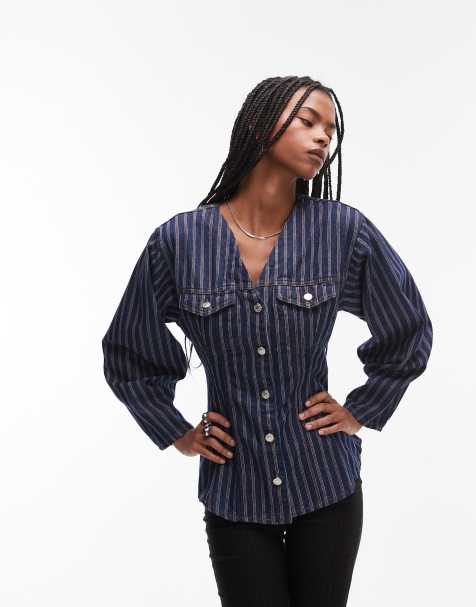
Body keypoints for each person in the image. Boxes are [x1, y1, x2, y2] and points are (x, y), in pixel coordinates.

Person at [101, 75, 433, 606]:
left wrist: (362, 410)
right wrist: (178, 433)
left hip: (325, 483)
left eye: (331, 130)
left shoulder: (342, 232)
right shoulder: (179, 241)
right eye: (309, 121)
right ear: (260, 122)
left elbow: (408, 326)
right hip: (234, 493)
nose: (323, 137)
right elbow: (128, 351)